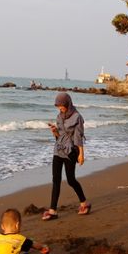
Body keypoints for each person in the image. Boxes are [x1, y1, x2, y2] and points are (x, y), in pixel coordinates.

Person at [43, 92, 90, 220]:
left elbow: (78, 137)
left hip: (71, 152)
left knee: (71, 180)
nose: (60, 108)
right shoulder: (59, 117)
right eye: (58, 106)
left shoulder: (77, 117)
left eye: (62, 106)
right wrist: (54, 131)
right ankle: (53, 210)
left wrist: (81, 154)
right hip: (58, 150)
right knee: (56, 179)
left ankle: (84, 203)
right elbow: (59, 136)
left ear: (68, 103)